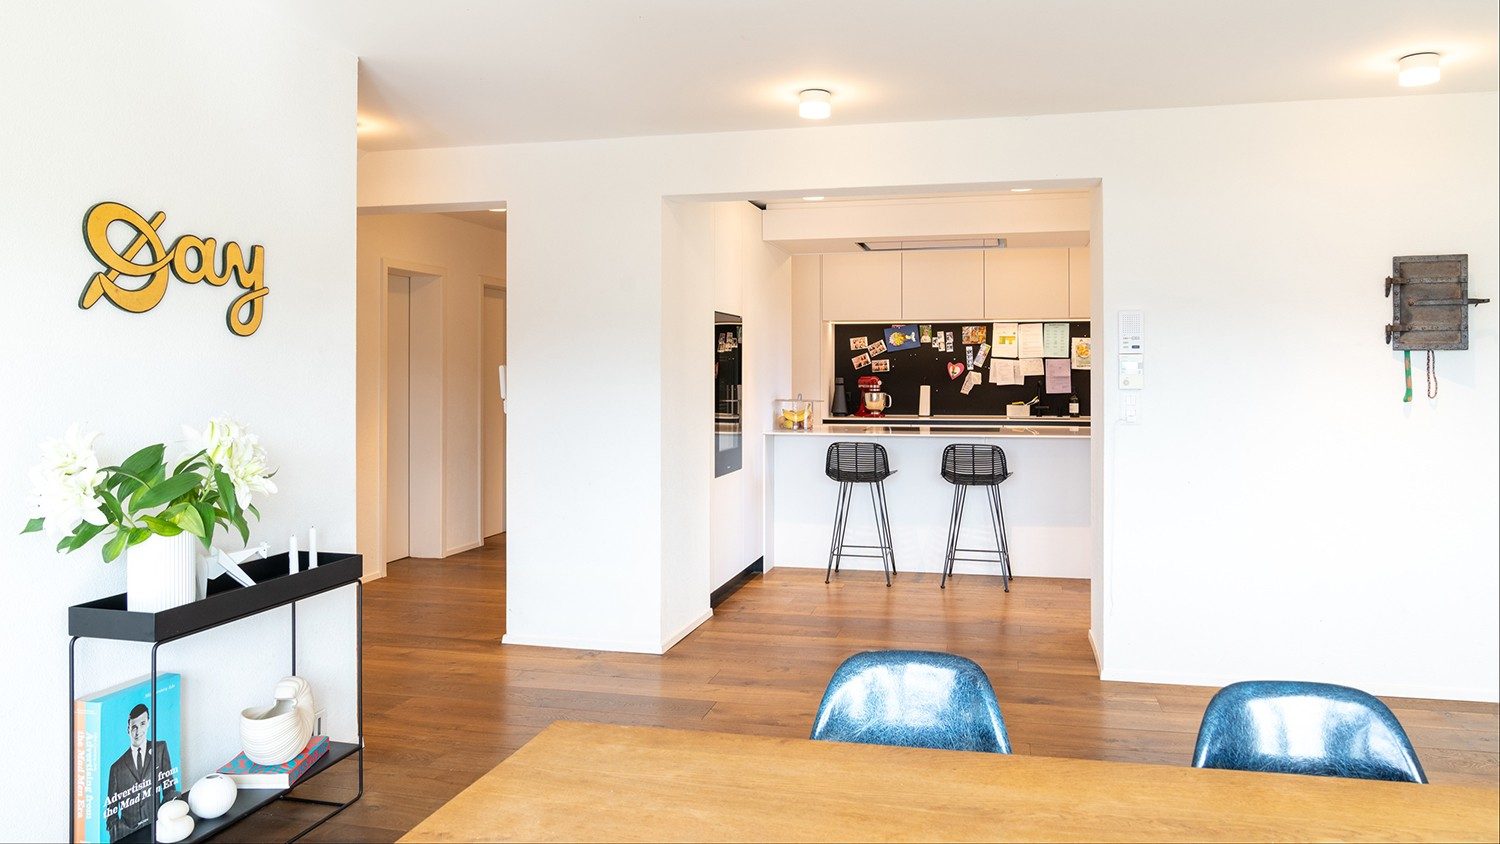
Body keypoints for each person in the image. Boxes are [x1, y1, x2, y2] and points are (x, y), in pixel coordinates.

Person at [105, 703, 177, 841]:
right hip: (129, 837)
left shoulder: (160, 749)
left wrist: (163, 817)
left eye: (142, 724)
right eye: (134, 727)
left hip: (159, 829)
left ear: (148, 723)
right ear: (128, 729)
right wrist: (122, 834)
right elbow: (111, 814)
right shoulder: (116, 768)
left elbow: (170, 790)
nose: (138, 731)